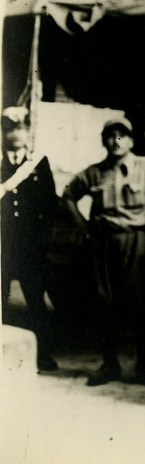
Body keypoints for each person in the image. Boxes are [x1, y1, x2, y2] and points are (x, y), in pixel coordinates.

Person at [62, 117, 145, 387]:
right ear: (103, 141)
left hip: (138, 243)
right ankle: (109, 364)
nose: (116, 141)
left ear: (132, 141)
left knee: (142, 303)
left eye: (122, 136)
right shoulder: (94, 172)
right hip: (104, 243)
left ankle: (144, 365)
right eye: (110, 136)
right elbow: (67, 195)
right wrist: (85, 229)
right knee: (104, 301)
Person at [1, 106, 58, 372]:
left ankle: (43, 354)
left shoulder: (38, 164)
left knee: (36, 301)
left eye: (21, 128)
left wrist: (43, 239)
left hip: (29, 246)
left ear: (28, 132)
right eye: (9, 129)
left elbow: (49, 205)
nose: (15, 134)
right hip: (2, 245)